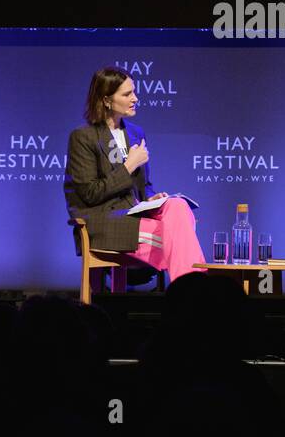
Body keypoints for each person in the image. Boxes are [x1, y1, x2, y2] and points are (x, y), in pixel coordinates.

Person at [64, 66, 207, 280]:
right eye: (127, 94)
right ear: (106, 100)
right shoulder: (83, 137)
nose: (135, 98)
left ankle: (188, 291)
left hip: (135, 215)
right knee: (179, 239)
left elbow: (143, 184)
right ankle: (193, 293)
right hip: (104, 220)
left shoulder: (135, 132)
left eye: (134, 92)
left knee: (178, 206)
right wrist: (128, 166)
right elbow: (90, 193)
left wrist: (151, 197)